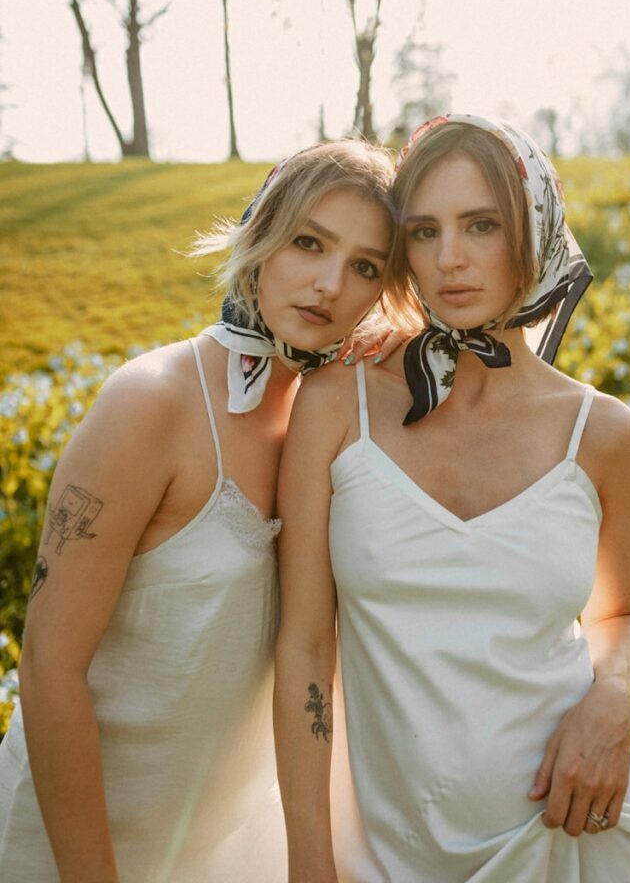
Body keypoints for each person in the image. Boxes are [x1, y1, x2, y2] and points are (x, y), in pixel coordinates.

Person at [274, 115, 630, 882]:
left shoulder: (601, 433)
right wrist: (308, 860)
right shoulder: (338, 404)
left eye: (480, 225)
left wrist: (612, 701)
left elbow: (616, 615)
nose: (449, 259)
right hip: (386, 851)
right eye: (423, 231)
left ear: (532, 230)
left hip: (578, 833)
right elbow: (305, 646)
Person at [0, 138, 404, 883]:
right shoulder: (151, 402)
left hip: (232, 849)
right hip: (77, 848)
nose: (327, 284)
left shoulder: (345, 429)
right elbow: (50, 668)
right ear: (260, 236)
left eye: (365, 267)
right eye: (308, 242)